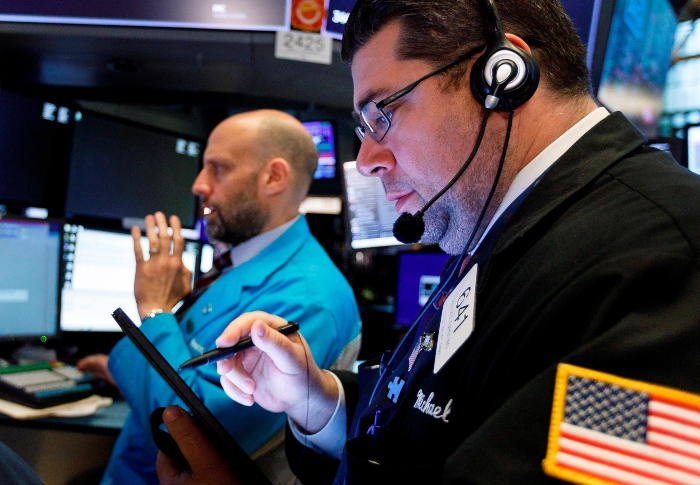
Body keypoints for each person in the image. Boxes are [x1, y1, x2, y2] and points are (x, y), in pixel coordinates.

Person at [156, 0, 700, 484]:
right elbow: (435, 418)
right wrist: (317, 400)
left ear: (503, 75)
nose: (366, 161)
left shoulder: (668, 264)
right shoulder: (503, 226)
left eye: (383, 113)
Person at [78, 109, 362, 485]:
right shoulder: (245, 261)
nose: (198, 184)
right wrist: (121, 370)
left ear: (274, 177)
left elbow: (195, 434)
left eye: (218, 168)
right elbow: (189, 367)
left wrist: (154, 311)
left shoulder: (309, 298)